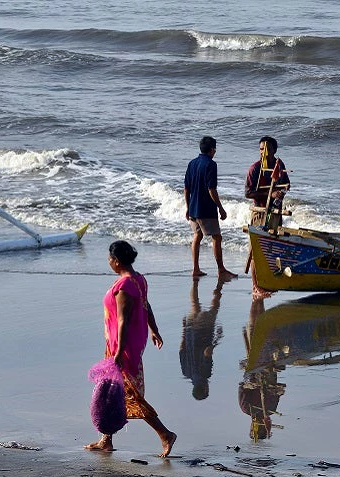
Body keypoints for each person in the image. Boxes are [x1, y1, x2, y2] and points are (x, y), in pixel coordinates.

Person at [86, 241, 177, 457]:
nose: (109, 262)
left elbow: (123, 321)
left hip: (122, 348)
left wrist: (118, 353)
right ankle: (106, 440)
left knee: (130, 394)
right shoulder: (138, 279)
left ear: (116, 261)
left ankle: (165, 434)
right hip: (119, 345)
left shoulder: (125, 286)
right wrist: (154, 330)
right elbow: (147, 305)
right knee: (110, 390)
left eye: (110, 259)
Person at [184, 136, 237, 279]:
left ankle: (195, 269)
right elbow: (211, 190)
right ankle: (221, 269)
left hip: (194, 207)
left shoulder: (192, 163)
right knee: (217, 237)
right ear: (212, 149)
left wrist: (188, 207)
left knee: (197, 236)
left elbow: (186, 189)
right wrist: (221, 207)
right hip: (206, 208)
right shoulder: (211, 165)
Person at [244, 136, 291, 298]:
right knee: (256, 251)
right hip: (260, 212)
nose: (263, 152)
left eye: (267, 149)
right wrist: (269, 193)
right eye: (261, 149)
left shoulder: (279, 165)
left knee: (271, 248)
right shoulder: (255, 168)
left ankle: (265, 283)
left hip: (275, 212)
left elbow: (287, 185)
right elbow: (248, 192)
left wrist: (281, 194)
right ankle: (255, 287)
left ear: (274, 151)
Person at [180, 276, 225, 401]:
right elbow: (182, 349)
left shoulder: (205, 374)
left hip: (202, 334)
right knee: (194, 305)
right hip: (190, 333)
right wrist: (184, 329)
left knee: (214, 308)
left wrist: (217, 339)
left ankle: (220, 284)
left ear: (205, 388)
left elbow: (207, 352)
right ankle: (194, 281)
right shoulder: (186, 372)